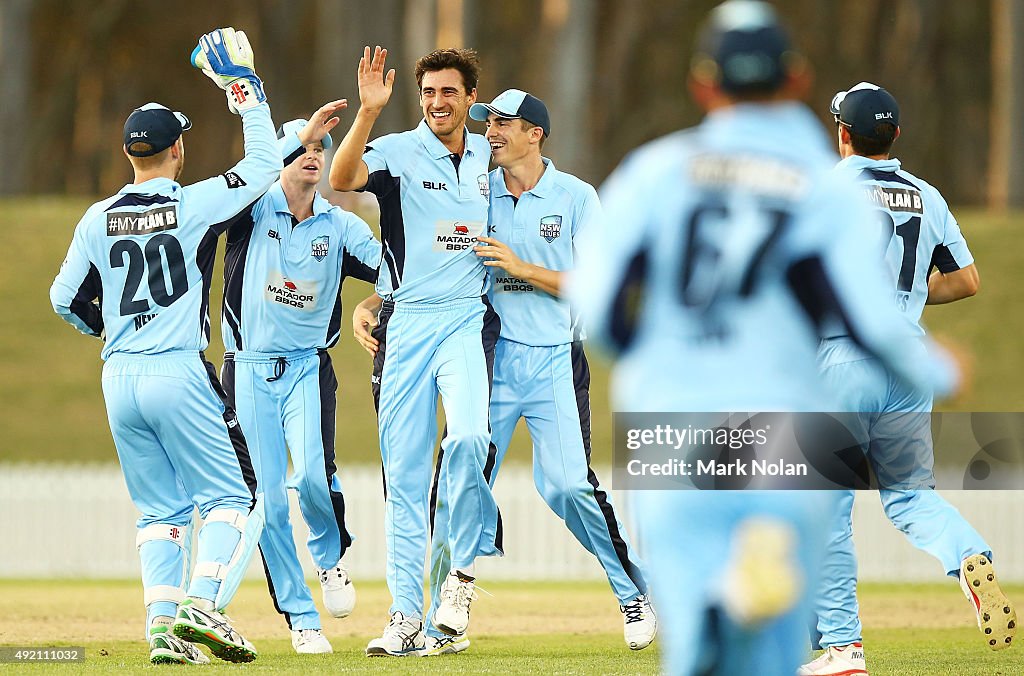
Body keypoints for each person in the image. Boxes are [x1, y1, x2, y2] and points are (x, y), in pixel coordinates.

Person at [569, 2, 960, 675]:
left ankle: (720, 595)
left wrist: (657, 356)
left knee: (691, 644)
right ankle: (754, 571)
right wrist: (940, 371)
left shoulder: (654, 171)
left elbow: (598, 310)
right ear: (797, 81)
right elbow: (873, 324)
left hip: (675, 423)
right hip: (781, 428)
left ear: (702, 84)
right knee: (773, 650)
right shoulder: (822, 188)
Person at [49, 27, 298, 665]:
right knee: (234, 497)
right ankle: (203, 608)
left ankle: (163, 628)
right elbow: (265, 168)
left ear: (131, 154)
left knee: (159, 510)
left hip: (119, 376)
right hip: (176, 370)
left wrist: (109, 330)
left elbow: (64, 298)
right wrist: (248, 93)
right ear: (177, 149)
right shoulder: (190, 205)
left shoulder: (95, 216)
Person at [416, 89, 656, 656]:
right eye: (489, 123)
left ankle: (633, 593)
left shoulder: (575, 196)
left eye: (504, 123)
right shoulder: (478, 190)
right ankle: (442, 612)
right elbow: (435, 255)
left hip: (554, 359)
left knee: (568, 486)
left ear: (535, 133)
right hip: (491, 357)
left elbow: (599, 284)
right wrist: (380, 301)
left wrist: (524, 269)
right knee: (459, 476)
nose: (491, 132)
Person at [798, 82, 1015, 676]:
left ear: (843, 133)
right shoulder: (927, 194)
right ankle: (969, 553)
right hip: (907, 364)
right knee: (911, 495)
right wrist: (908, 298)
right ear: (895, 136)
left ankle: (842, 648)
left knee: (826, 505)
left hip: (840, 362)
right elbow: (967, 279)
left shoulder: (824, 187)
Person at [328, 45, 501, 656]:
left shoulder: (491, 155)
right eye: (428, 93)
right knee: (402, 478)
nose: (436, 103)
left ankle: (460, 578)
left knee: (471, 440)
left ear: (470, 98)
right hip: (404, 328)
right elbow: (341, 179)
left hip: (464, 319)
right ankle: (406, 618)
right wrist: (368, 114)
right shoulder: (398, 150)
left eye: (448, 92)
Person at [215, 100, 382, 654]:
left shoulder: (340, 226)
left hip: (308, 367)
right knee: (266, 501)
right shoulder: (250, 210)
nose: (313, 156)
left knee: (312, 475)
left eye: (319, 149)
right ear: (278, 159)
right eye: (302, 149)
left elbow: (397, 268)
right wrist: (293, 136)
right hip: (248, 371)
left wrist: (374, 303)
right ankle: (301, 619)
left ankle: (330, 558)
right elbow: (252, 173)